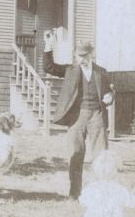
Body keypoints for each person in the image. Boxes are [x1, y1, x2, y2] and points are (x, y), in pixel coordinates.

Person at [43, 30, 114, 199]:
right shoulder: (69, 70)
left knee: (101, 155)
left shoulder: (101, 71)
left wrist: (110, 97)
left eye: (84, 55)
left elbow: (109, 92)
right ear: (75, 55)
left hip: (97, 114)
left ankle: (101, 192)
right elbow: (49, 67)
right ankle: (75, 194)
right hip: (77, 117)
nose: (81, 58)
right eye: (78, 55)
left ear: (91, 54)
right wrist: (48, 45)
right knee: (75, 155)